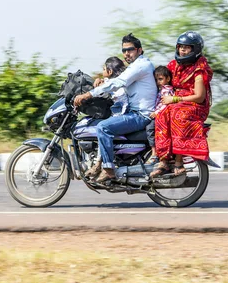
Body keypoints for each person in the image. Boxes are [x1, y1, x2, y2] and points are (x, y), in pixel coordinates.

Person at [74, 33, 157, 183]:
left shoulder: (141, 65)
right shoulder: (135, 66)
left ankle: (108, 169)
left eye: (130, 49)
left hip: (140, 115)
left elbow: (118, 82)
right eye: (124, 50)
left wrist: (88, 95)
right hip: (135, 112)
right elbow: (114, 81)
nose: (126, 53)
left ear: (139, 50)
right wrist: (100, 81)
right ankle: (102, 163)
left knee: (103, 128)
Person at [151, 31, 213, 178]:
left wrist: (175, 100)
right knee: (162, 114)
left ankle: (179, 162)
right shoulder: (173, 65)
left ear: (195, 50)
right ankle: (164, 159)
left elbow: (199, 97)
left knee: (178, 114)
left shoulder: (199, 69)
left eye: (187, 47)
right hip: (173, 101)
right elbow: (159, 78)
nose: (183, 50)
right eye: (181, 47)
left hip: (194, 105)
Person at [145, 65, 174, 165]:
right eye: (156, 80)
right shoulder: (161, 90)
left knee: (149, 128)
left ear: (168, 78)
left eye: (161, 79)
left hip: (162, 116)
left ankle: (154, 153)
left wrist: (156, 113)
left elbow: (165, 105)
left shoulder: (167, 90)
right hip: (159, 114)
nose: (158, 82)